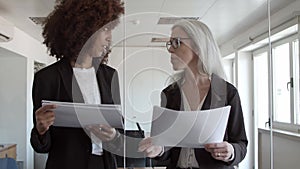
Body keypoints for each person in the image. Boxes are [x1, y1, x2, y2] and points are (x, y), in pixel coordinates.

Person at [138, 19, 248, 169]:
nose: (170, 49)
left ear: (198, 46)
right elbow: (168, 149)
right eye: (170, 44)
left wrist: (231, 151)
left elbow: (241, 143)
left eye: (176, 42)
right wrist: (159, 149)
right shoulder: (170, 94)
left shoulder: (227, 92)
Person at [30, 0, 124, 169]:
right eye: (104, 29)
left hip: (104, 164)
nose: (109, 37)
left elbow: (119, 131)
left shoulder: (111, 76)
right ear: (84, 30)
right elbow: (41, 146)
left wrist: (113, 135)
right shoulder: (47, 78)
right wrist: (40, 130)